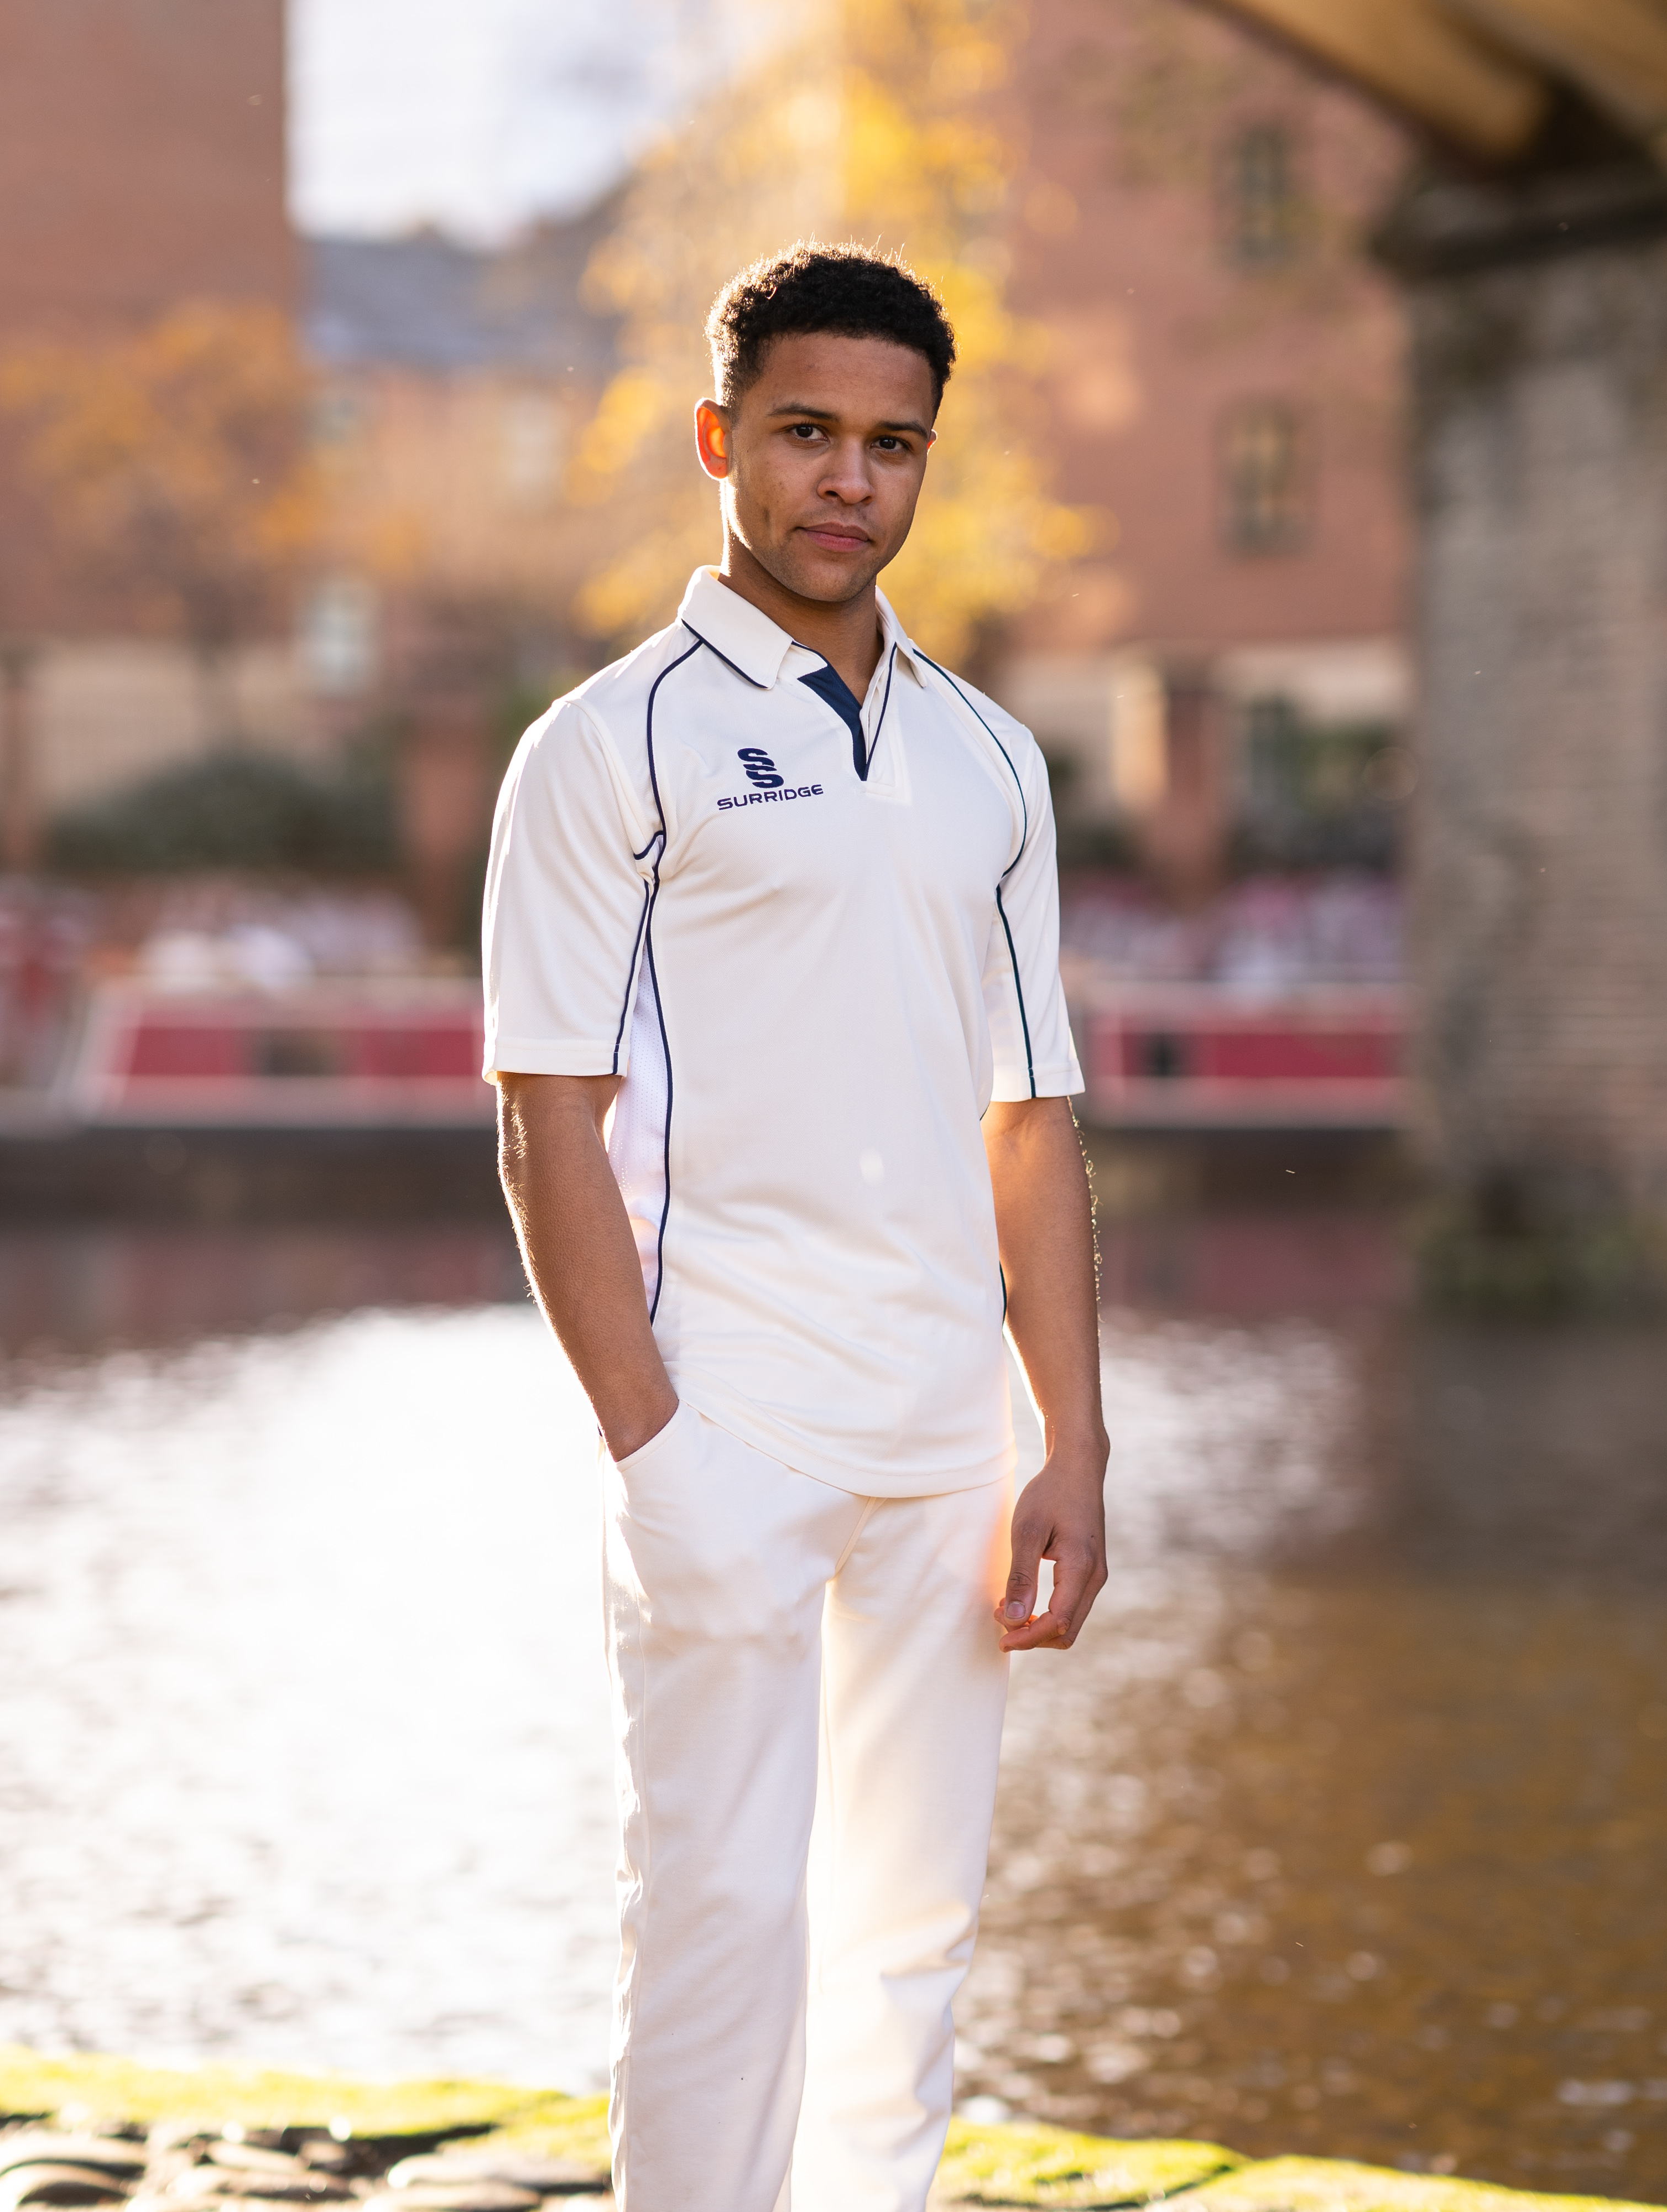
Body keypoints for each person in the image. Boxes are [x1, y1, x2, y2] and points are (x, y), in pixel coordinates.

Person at [482, 243, 1108, 2212]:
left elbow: (1031, 1118)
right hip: (727, 1421)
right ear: (719, 439)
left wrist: (1073, 1442)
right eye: (807, 432)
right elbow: (545, 1117)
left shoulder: (992, 760)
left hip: (946, 1441)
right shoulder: (608, 745)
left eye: (891, 445)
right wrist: (649, 1445)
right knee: (722, 1924)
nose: (850, 479)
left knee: (910, 1935)